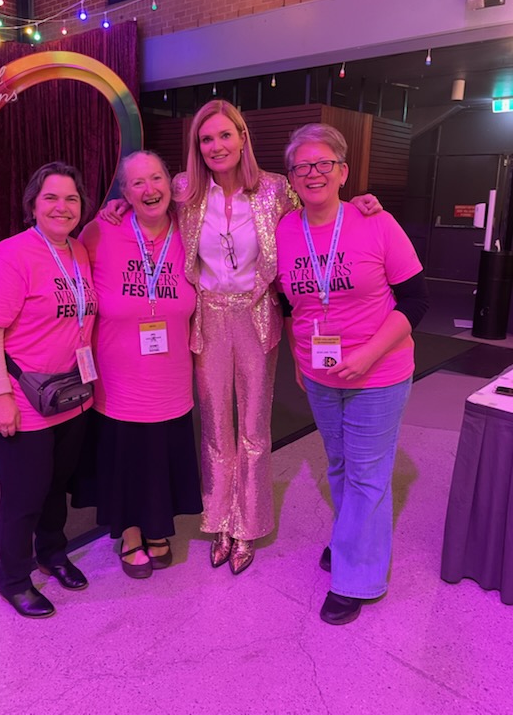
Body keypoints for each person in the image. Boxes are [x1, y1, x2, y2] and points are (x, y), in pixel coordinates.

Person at [102, 99, 381, 576]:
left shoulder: (275, 188)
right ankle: (220, 523)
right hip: (206, 319)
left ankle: (247, 526)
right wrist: (115, 205)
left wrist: (355, 203)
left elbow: (319, 207)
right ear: (198, 147)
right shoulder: (186, 189)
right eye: (206, 138)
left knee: (253, 428)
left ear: (242, 138)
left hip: (256, 317)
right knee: (214, 429)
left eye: (224, 135)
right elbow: (146, 199)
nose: (216, 145)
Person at [276, 124, 429, 625]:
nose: (313, 173)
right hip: (320, 374)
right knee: (340, 464)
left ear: (342, 171)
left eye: (324, 164)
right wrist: (302, 362)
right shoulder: (284, 229)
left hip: (379, 371)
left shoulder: (376, 222)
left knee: (366, 472)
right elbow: (290, 301)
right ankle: (351, 538)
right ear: (292, 178)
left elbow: (415, 300)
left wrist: (367, 354)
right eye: (303, 166)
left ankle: (357, 578)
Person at [0, 161, 98, 619]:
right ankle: (14, 577)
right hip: (22, 403)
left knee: (54, 487)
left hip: (69, 397)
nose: (62, 207)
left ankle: (52, 553)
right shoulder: (12, 255)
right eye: (51, 198)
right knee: (23, 496)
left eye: (71, 199)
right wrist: (0, 396)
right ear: (32, 205)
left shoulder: (78, 252)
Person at [77, 150, 202, 579]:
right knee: (125, 457)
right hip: (117, 382)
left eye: (156, 179)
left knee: (161, 456)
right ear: (124, 194)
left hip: (172, 380)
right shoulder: (100, 232)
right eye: (136, 183)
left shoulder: (190, 230)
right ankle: (130, 534)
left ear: (171, 182)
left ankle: (157, 526)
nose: (149, 190)